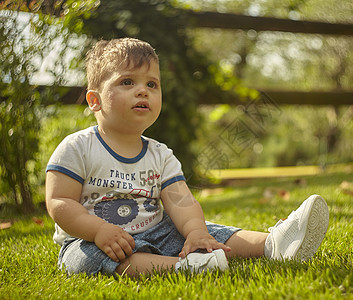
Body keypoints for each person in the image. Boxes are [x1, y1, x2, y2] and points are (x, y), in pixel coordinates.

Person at [45, 37, 329, 277]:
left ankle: (274, 244)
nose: (142, 90)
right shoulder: (78, 147)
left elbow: (181, 201)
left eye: (152, 85)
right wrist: (97, 231)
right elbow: (60, 201)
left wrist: (195, 232)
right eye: (127, 82)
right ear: (95, 100)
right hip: (94, 238)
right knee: (85, 259)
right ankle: (185, 267)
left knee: (210, 232)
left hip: (158, 231)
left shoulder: (160, 154)